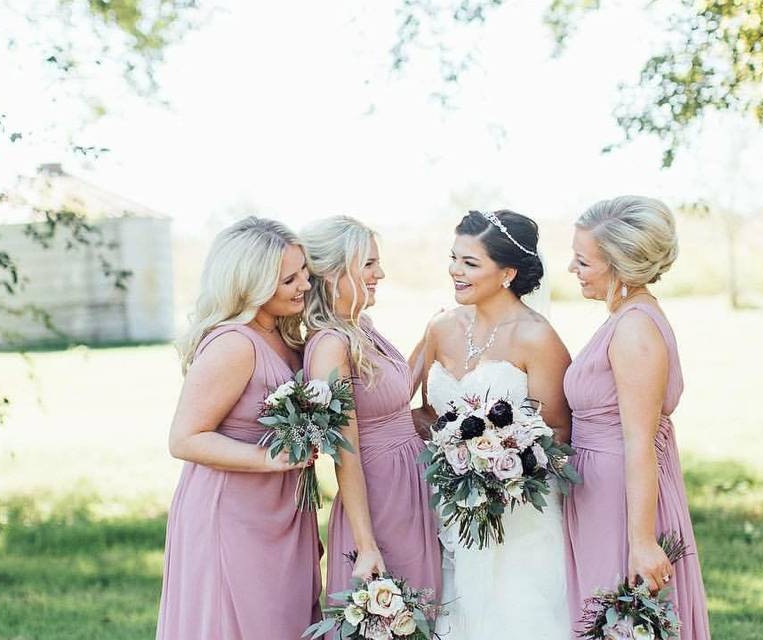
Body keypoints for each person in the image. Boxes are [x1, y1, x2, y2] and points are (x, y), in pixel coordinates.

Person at [155, 217, 321, 639]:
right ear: (252, 283)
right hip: (231, 514)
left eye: (305, 272)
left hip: (283, 508)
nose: (304, 284)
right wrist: (266, 458)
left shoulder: (286, 337)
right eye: (289, 279)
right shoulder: (233, 343)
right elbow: (184, 438)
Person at [414, 210, 573, 638]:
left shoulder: (537, 337)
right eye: (454, 258)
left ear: (507, 272)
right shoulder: (441, 327)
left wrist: (502, 462)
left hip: (518, 517)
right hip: (449, 509)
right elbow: (420, 413)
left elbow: (558, 432)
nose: (455, 271)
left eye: (470, 263)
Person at [563, 195, 710, 638]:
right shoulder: (623, 317)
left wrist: (642, 542)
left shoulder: (634, 329)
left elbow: (639, 441)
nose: (572, 269)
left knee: (622, 617)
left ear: (620, 266)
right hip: (601, 496)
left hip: (622, 505)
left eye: (583, 261)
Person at [300, 215, 442, 616]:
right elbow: (344, 450)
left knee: (423, 612)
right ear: (331, 273)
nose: (380, 273)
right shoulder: (330, 344)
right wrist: (366, 545)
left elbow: (392, 400)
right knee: (393, 614)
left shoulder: (360, 326)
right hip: (379, 498)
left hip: (409, 485)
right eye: (368, 264)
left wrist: (430, 337)